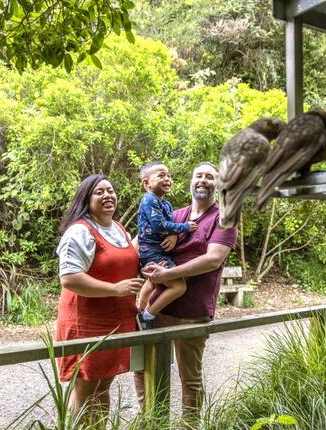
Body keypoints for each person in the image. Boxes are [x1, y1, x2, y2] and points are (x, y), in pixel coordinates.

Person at [135, 162, 238, 426]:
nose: (202, 181)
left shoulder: (223, 217)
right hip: (159, 308)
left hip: (192, 313)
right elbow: (140, 240)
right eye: (198, 176)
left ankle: (189, 426)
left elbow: (212, 260)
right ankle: (151, 423)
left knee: (189, 379)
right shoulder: (177, 215)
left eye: (209, 177)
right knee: (145, 370)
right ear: (191, 181)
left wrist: (167, 275)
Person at [56, 174, 145, 416]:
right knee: (85, 387)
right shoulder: (80, 232)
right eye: (99, 192)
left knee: (104, 385)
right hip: (86, 322)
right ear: (86, 199)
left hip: (117, 321)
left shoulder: (118, 228)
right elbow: (70, 277)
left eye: (111, 191)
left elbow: (122, 261)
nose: (107, 195)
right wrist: (115, 289)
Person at [136, 162, 197, 330]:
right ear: (146, 184)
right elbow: (159, 225)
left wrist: (175, 233)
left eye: (169, 176)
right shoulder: (149, 199)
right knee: (179, 286)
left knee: (155, 282)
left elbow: (168, 225)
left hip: (160, 251)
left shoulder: (167, 204)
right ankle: (147, 315)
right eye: (161, 175)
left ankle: (139, 309)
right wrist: (184, 227)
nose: (167, 179)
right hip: (152, 252)